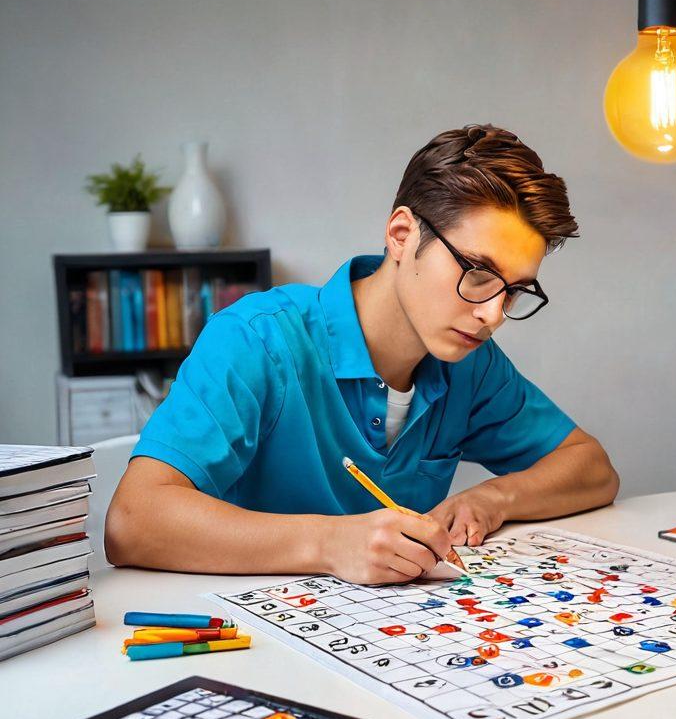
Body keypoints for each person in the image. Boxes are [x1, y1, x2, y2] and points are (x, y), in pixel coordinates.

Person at [105, 124, 619, 584]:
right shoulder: (257, 338)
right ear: (401, 235)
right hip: (244, 636)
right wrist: (330, 544)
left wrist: (494, 498)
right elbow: (131, 522)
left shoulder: (471, 362)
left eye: (514, 291)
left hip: (397, 642)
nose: (493, 314)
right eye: (478, 273)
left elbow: (592, 468)